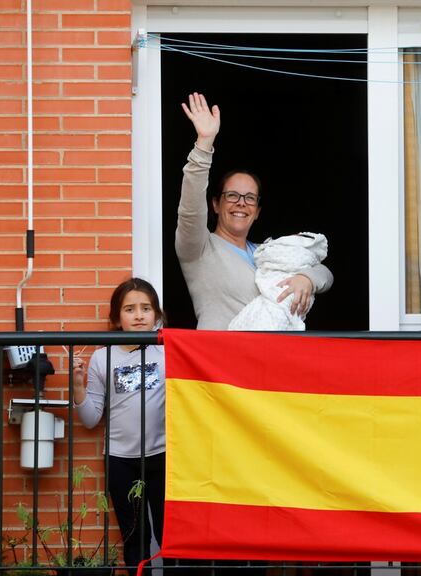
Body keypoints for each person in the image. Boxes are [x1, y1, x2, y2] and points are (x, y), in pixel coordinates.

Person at [175, 92, 333, 330]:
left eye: (249, 198)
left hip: (270, 359)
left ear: (257, 211)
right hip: (221, 359)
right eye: (232, 196)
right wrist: (204, 143)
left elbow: (324, 273)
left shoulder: (267, 253)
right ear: (215, 204)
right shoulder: (199, 248)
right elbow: (190, 207)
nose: (241, 203)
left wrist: (306, 279)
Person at [71, 278, 170, 575]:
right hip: (121, 461)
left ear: (157, 315)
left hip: (164, 455)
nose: (139, 315)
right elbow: (90, 419)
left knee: (170, 535)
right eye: (130, 309)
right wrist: (78, 387)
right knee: (135, 538)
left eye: (146, 308)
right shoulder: (103, 356)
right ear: (117, 318)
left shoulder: (167, 351)